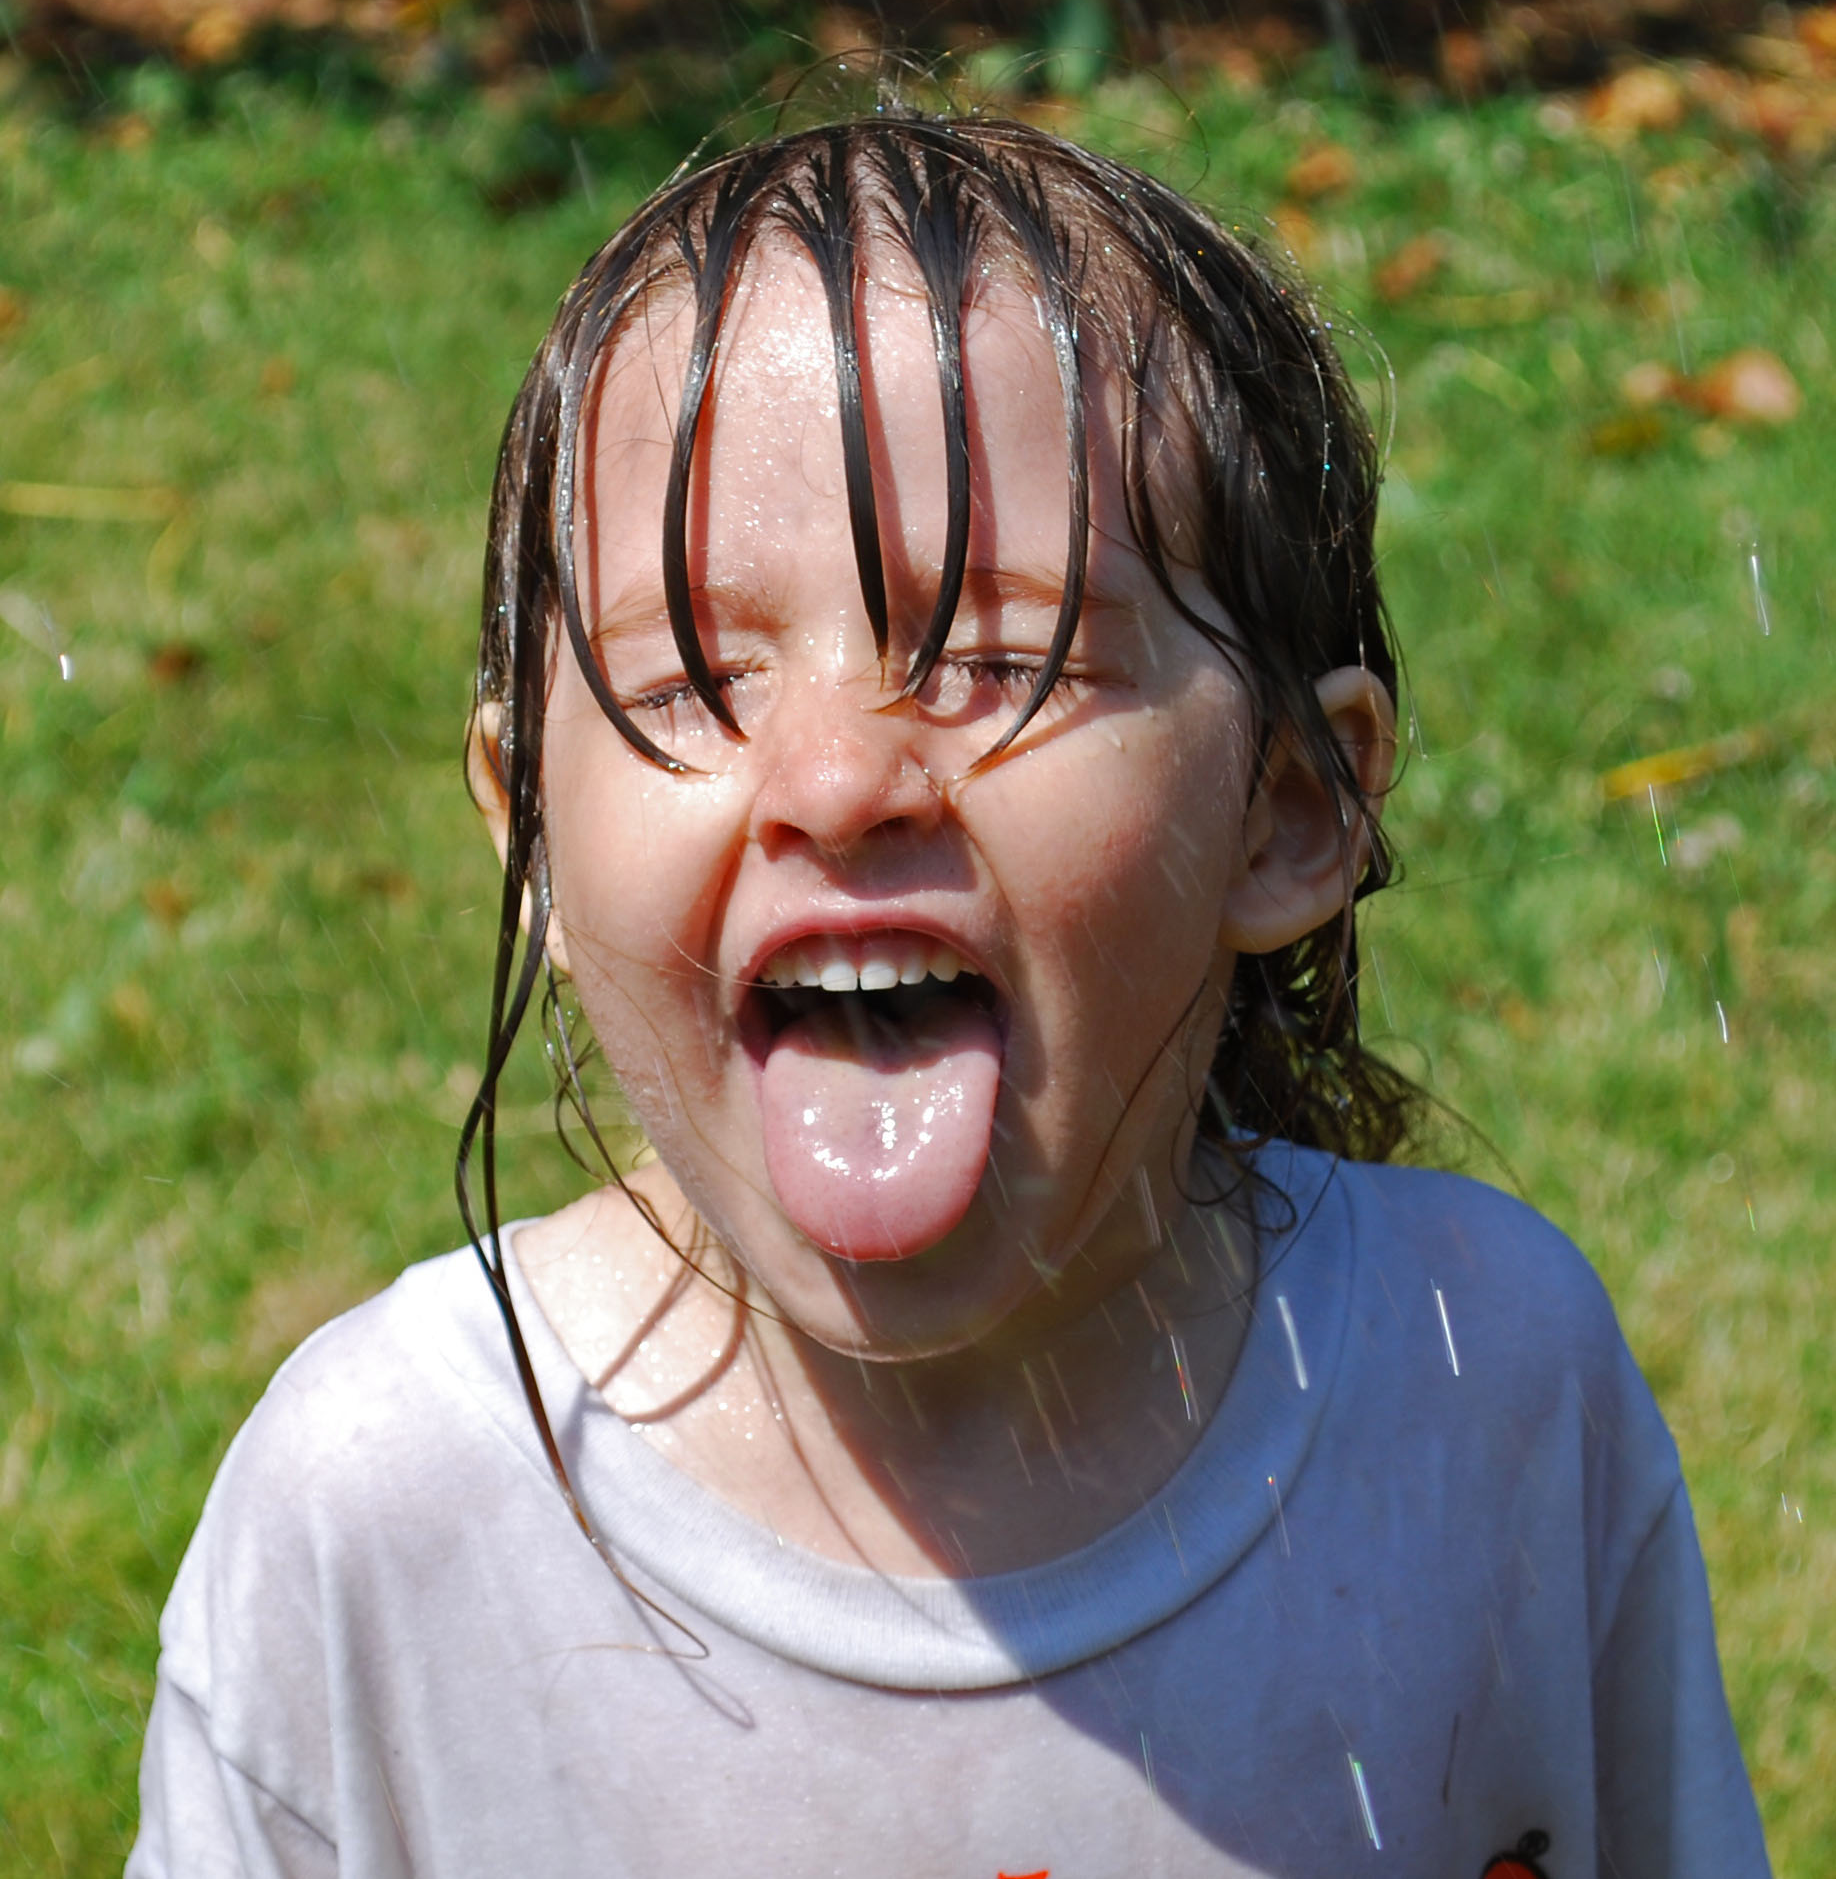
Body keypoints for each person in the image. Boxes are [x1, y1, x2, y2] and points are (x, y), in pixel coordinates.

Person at [127, 113, 1770, 1879]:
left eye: (1006, 657)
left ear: (1292, 809)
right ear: (529, 819)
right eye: (688, 677)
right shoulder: (385, 1514)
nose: (836, 781)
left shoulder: (1484, 1390)